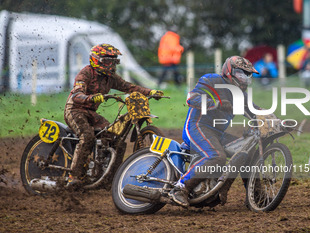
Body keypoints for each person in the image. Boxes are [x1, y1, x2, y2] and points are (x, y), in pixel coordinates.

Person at [64, 43, 163, 185]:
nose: (111, 65)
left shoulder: (110, 78)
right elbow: (76, 94)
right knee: (87, 137)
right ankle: (74, 176)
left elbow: (129, 87)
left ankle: (109, 179)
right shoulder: (85, 73)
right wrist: (90, 98)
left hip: (90, 113)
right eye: (107, 61)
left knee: (114, 136)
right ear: (96, 60)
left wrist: (150, 92)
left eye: (114, 61)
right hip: (74, 110)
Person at [169, 56, 261, 207]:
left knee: (247, 150)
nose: (244, 78)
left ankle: (255, 194)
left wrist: (277, 121)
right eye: (241, 74)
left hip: (218, 134)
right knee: (217, 156)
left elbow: (255, 110)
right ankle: (180, 188)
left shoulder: (241, 96)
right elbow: (191, 98)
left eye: (247, 75)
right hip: (197, 126)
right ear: (230, 71)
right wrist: (216, 103)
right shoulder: (211, 80)